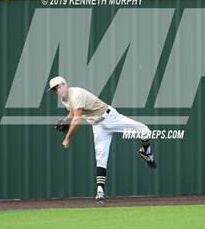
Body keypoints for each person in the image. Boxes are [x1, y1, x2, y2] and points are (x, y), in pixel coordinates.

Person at [48, 76, 156, 204]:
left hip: (110, 117)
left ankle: (145, 151)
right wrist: (65, 121)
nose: (57, 90)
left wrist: (67, 138)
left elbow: (77, 119)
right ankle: (100, 191)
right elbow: (72, 114)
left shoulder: (76, 94)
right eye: (54, 89)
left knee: (145, 131)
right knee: (101, 156)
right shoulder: (64, 99)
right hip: (98, 126)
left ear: (65, 85)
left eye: (58, 87)